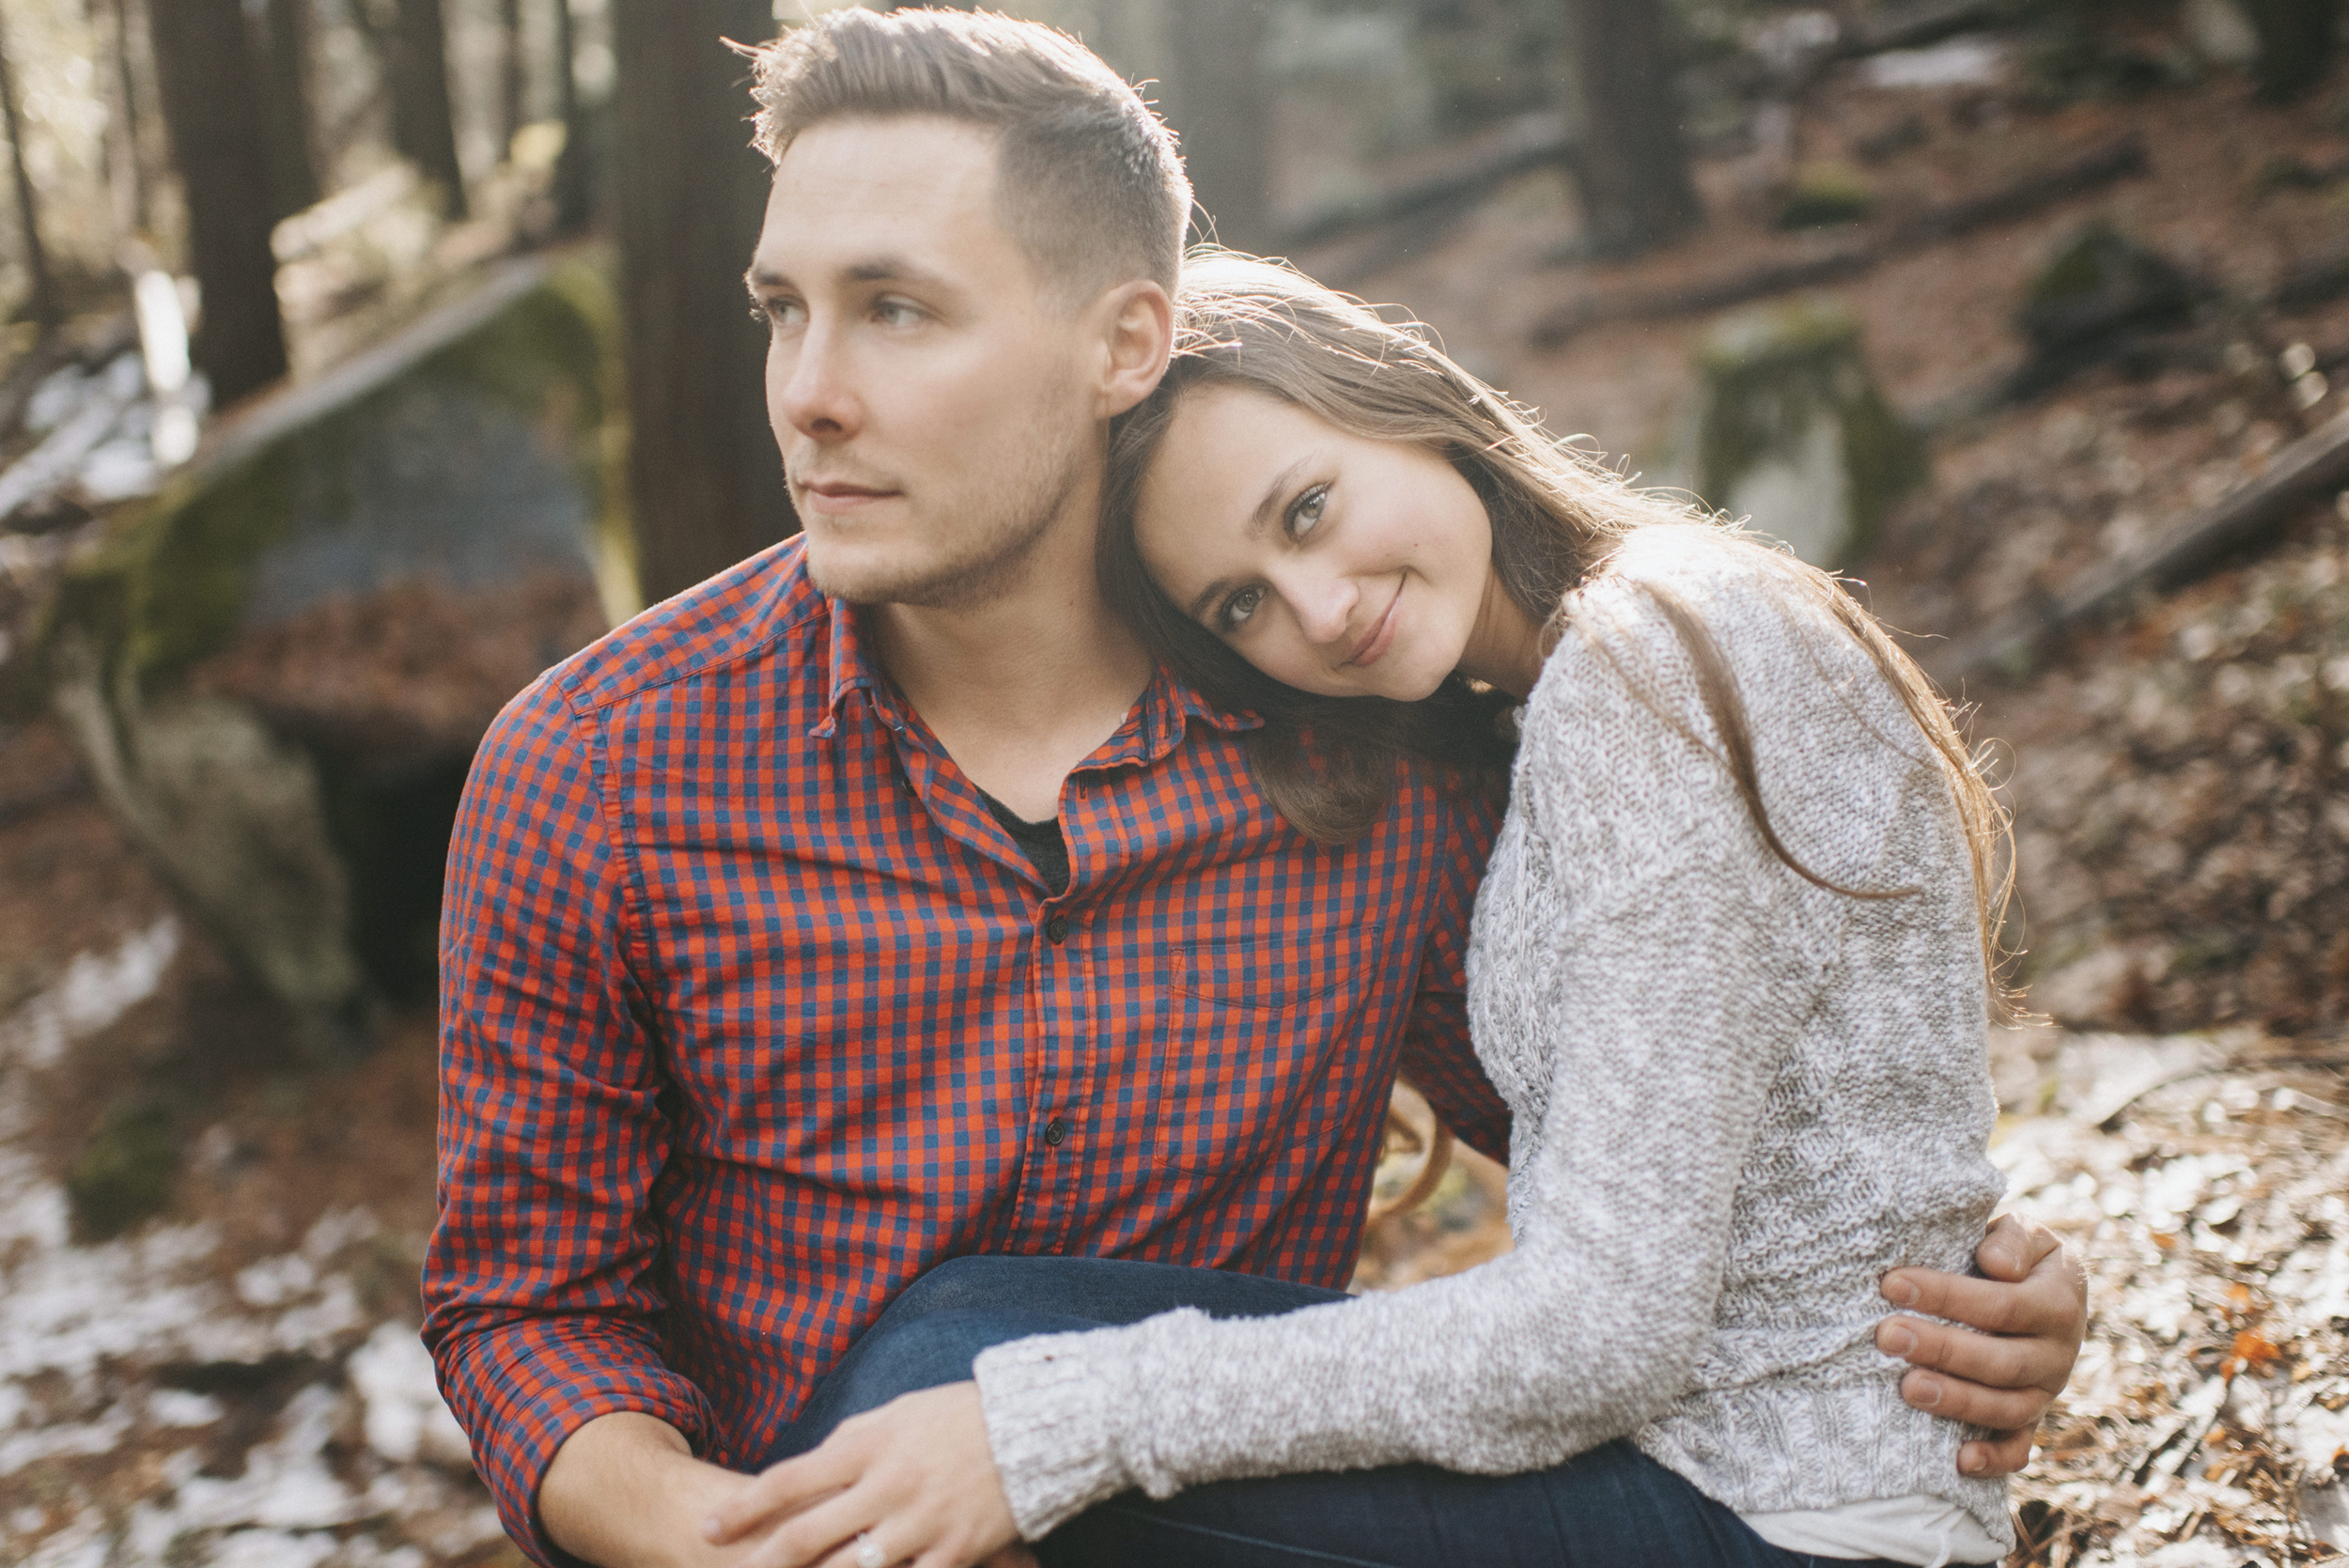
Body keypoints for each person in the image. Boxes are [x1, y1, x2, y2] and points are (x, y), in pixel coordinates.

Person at [421, 13, 2083, 1568]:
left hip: (1259, 1506)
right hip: (806, 1527)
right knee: (953, 1350)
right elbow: (520, 1309)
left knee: (963, 1345)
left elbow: (1655, 1157)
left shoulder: (1380, 754)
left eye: (897, 308)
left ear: (1123, 341)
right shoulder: (596, 769)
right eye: (783, 309)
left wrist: (1967, 1278)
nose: (808, 391)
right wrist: (731, 1541)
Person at [701, 255, 2050, 1568]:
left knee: (964, 1382)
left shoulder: (1652, 666)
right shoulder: (1577, 683)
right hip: (1709, 1468)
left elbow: (1598, 1333)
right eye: (1243, 603)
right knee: (966, 1330)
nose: (1322, 608)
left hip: (1781, 1514)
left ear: (1396, 393)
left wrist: (1054, 1425)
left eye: (1306, 510)